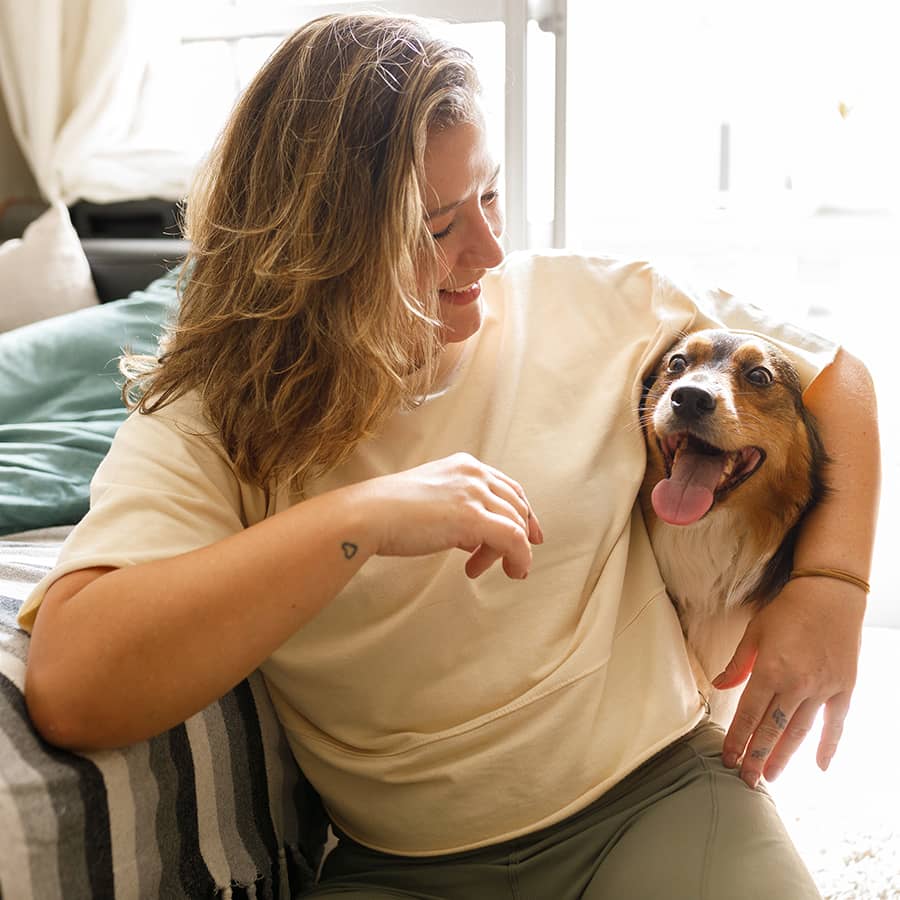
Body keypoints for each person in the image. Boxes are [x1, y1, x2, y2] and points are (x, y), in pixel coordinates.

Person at [19, 12, 879, 900]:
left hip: (655, 794)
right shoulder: (211, 418)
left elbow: (834, 376)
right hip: (402, 867)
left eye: (491, 196)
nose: (491, 250)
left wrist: (833, 589)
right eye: (436, 227)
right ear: (315, 247)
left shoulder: (600, 306)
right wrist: (358, 521)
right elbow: (75, 686)